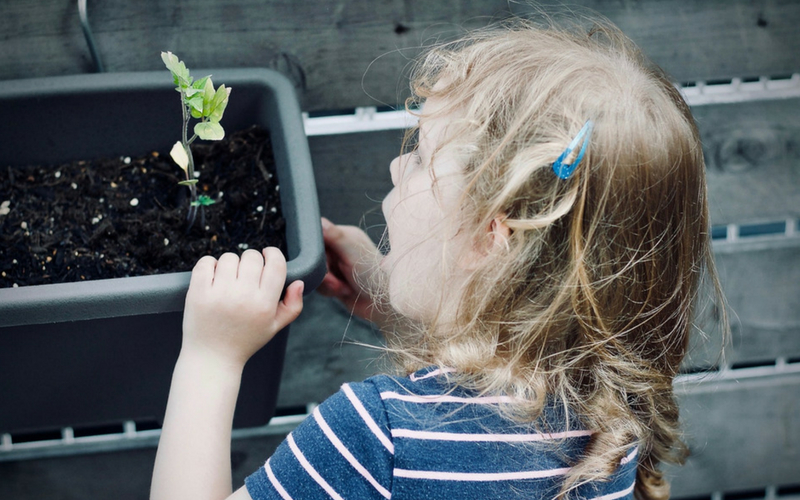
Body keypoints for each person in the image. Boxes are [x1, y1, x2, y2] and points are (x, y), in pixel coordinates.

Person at [151, 17, 725, 500]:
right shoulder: (614, 416)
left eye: (422, 158)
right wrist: (389, 300)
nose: (397, 169)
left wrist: (210, 358)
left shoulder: (379, 437)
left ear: (490, 236)